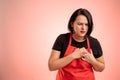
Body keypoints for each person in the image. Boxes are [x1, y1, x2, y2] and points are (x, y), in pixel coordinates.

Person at [48, 8, 105, 80]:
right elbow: (51, 66)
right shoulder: (62, 39)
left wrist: (92, 60)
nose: (83, 28)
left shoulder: (93, 42)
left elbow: (101, 68)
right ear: (72, 24)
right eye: (80, 24)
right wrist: (72, 56)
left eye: (86, 24)